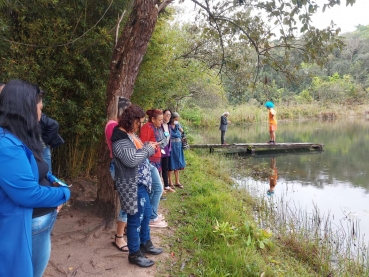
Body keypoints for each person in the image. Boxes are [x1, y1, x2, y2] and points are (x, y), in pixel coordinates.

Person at [0, 79, 71, 277]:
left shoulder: (19, 136)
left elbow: (41, 168)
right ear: (25, 109)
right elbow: (27, 194)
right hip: (27, 226)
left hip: (39, 224)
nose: (41, 114)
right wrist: (64, 193)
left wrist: (57, 183)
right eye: (39, 108)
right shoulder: (6, 146)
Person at [111, 104, 163, 267]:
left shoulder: (130, 134)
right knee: (135, 218)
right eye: (138, 122)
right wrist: (148, 149)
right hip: (131, 184)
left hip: (141, 184)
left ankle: (145, 243)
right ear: (129, 120)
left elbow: (138, 153)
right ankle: (134, 253)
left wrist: (148, 147)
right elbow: (131, 160)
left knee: (146, 214)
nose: (139, 125)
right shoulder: (119, 138)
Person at [105, 96, 131, 252]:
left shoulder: (118, 125)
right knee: (126, 202)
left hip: (124, 165)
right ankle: (119, 237)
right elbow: (121, 148)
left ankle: (125, 229)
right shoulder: (113, 125)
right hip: (118, 166)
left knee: (127, 200)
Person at [140, 109, 168, 228]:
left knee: (154, 190)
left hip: (156, 160)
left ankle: (152, 214)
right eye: (160, 120)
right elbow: (143, 145)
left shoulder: (156, 128)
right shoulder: (147, 127)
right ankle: (152, 217)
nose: (162, 122)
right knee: (157, 189)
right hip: (149, 162)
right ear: (153, 119)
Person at [168, 112, 186, 189]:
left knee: (178, 163)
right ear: (172, 119)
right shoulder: (168, 126)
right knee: (171, 164)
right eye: (175, 119)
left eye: (177, 119)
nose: (176, 120)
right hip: (171, 146)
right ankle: (170, 182)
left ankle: (177, 182)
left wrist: (182, 131)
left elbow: (182, 135)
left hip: (178, 146)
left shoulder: (178, 125)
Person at [161, 109, 175, 192]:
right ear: (162, 114)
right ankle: (160, 186)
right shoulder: (160, 125)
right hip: (160, 149)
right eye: (166, 114)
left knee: (165, 168)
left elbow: (169, 137)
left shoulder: (168, 125)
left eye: (169, 115)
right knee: (159, 168)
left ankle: (166, 185)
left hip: (167, 149)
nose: (168, 116)